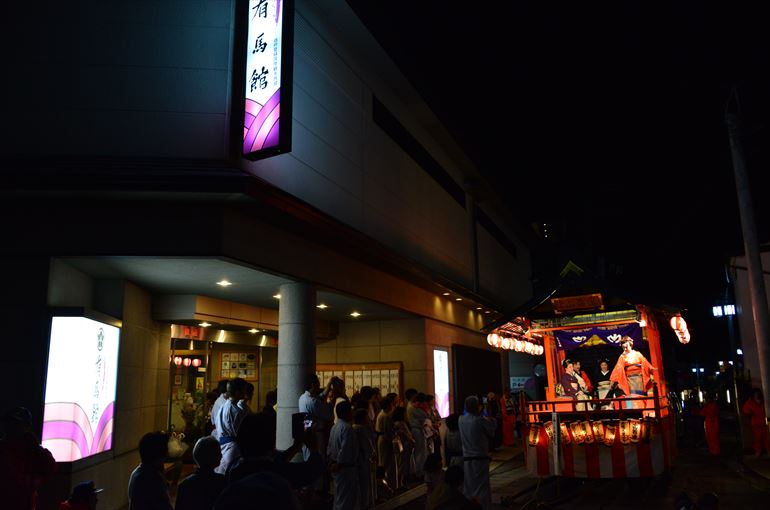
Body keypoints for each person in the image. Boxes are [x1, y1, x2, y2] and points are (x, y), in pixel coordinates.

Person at [228, 413, 324, 489]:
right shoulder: (276, 474)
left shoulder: (234, 471)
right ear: (271, 440)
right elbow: (311, 469)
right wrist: (313, 448)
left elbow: (275, 462)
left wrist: (296, 446)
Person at [0, 406, 57, 510]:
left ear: (27, 428)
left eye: (15, 424)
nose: (9, 427)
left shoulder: (32, 449)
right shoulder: (3, 448)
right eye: (8, 423)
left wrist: (36, 448)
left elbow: (50, 467)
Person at [458, 395, 496, 510]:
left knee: (469, 487)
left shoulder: (461, 420)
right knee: (482, 488)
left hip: (467, 458)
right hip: (480, 458)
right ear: (477, 407)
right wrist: (488, 415)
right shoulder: (479, 420)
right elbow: (492, 430)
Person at [175, 436, 226, 510]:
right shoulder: (222, 482)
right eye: (219, 453)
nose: (221, 455)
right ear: (216, 457)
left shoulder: (184, 485)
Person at [127, 432, 173, 510]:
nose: (168, 454)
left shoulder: (138, 473)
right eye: (166, 450)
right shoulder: (152, 479)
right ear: (160, 455)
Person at [213, 377, 249, 474]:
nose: (246, 394)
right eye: (244, 391)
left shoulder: (224, 406)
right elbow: (239, 433)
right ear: (237, 392)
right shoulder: (235, 411)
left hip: (224, 446)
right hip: (233, 449)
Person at [328, 401, 359, 510]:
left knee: (339, 497)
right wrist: (340, 463)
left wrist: (332, 462)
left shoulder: (334, 427)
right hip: (345, 468)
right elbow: (345, 450)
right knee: (346, 499)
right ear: (347, 412)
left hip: (336, 466)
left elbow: (330, 447)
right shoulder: (347, 428)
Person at [610, 336, 655, 409]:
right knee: (630, 397)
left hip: (639, 379)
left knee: (640, 397)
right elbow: (618, 368)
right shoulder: (622, 357)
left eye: (626, 347)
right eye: (623, 347)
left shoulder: (638, 354)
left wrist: (652, 369)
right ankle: (632, 413)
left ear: (630, 344)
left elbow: (645, 363)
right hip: (629, 380)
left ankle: (641, 412)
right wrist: (613, 380)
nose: (625, 349)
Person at [353, 408, 376, 509]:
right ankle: (366, 504)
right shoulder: (361, 429)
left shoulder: (353, 428)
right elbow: (367, 445)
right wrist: (372, 454)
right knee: (365, 484)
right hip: (363, 460)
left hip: (357, 460)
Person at [742, 388, 770, 457]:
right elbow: (745, 410)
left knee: (767, 438)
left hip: (765, 423)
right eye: (755, 393)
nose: (757, 395)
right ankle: (758, 452)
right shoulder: (750, 402)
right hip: (756, 423)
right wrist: (748, 413)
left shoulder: (764, 401)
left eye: (758, 393)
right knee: (757, 439)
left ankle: (768, 451)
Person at [375, 396, 396, 488]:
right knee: (385, 462)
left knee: (384, 461)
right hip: (385, 440)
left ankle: (385, 484)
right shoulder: (385, 416)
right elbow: (388, 431)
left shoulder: (382, 414)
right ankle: (385, 485)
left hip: (383, 439)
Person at [407, 391, 428, 479]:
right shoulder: (413, 408)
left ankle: (418, 470)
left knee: (420, 451)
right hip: (417, 430)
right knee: (420, 451)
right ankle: (419, 471)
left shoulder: (411, 407)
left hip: (417, 429)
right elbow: (425, 415)